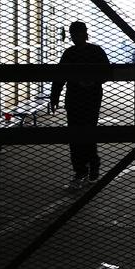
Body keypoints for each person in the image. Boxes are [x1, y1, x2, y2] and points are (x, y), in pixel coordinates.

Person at [50, 21, 111, 189]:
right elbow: (107, 72)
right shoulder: (95, 51)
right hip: (89, 99)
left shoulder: (70, 54)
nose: (75, 37)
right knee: (85, 133)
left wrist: (54, 97)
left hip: (77, 99)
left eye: (76, 33)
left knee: (78, 135)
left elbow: (59, 77)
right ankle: (90, 168)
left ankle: (84, 170)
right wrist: (93, 81)